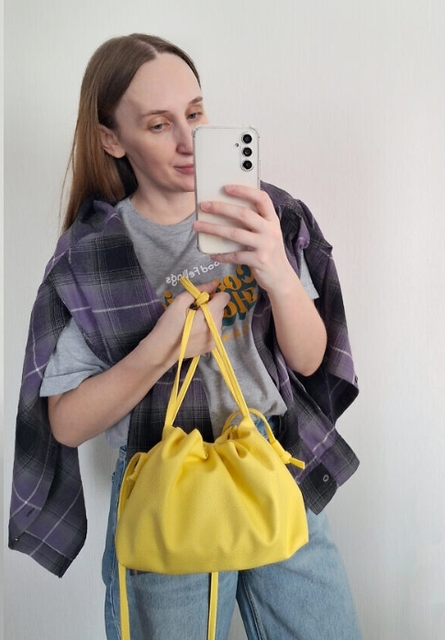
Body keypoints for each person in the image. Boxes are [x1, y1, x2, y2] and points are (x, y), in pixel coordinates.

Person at [9, 33, 362, 640]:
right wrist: (161, 349)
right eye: (158, 124)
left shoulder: (265, 215)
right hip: (166, 481)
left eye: (195, 114)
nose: (187, 140)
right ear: (112, 139)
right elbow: (65, 424)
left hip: (273, 462)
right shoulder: (94, 255)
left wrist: (276, 269)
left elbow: (308, 360)